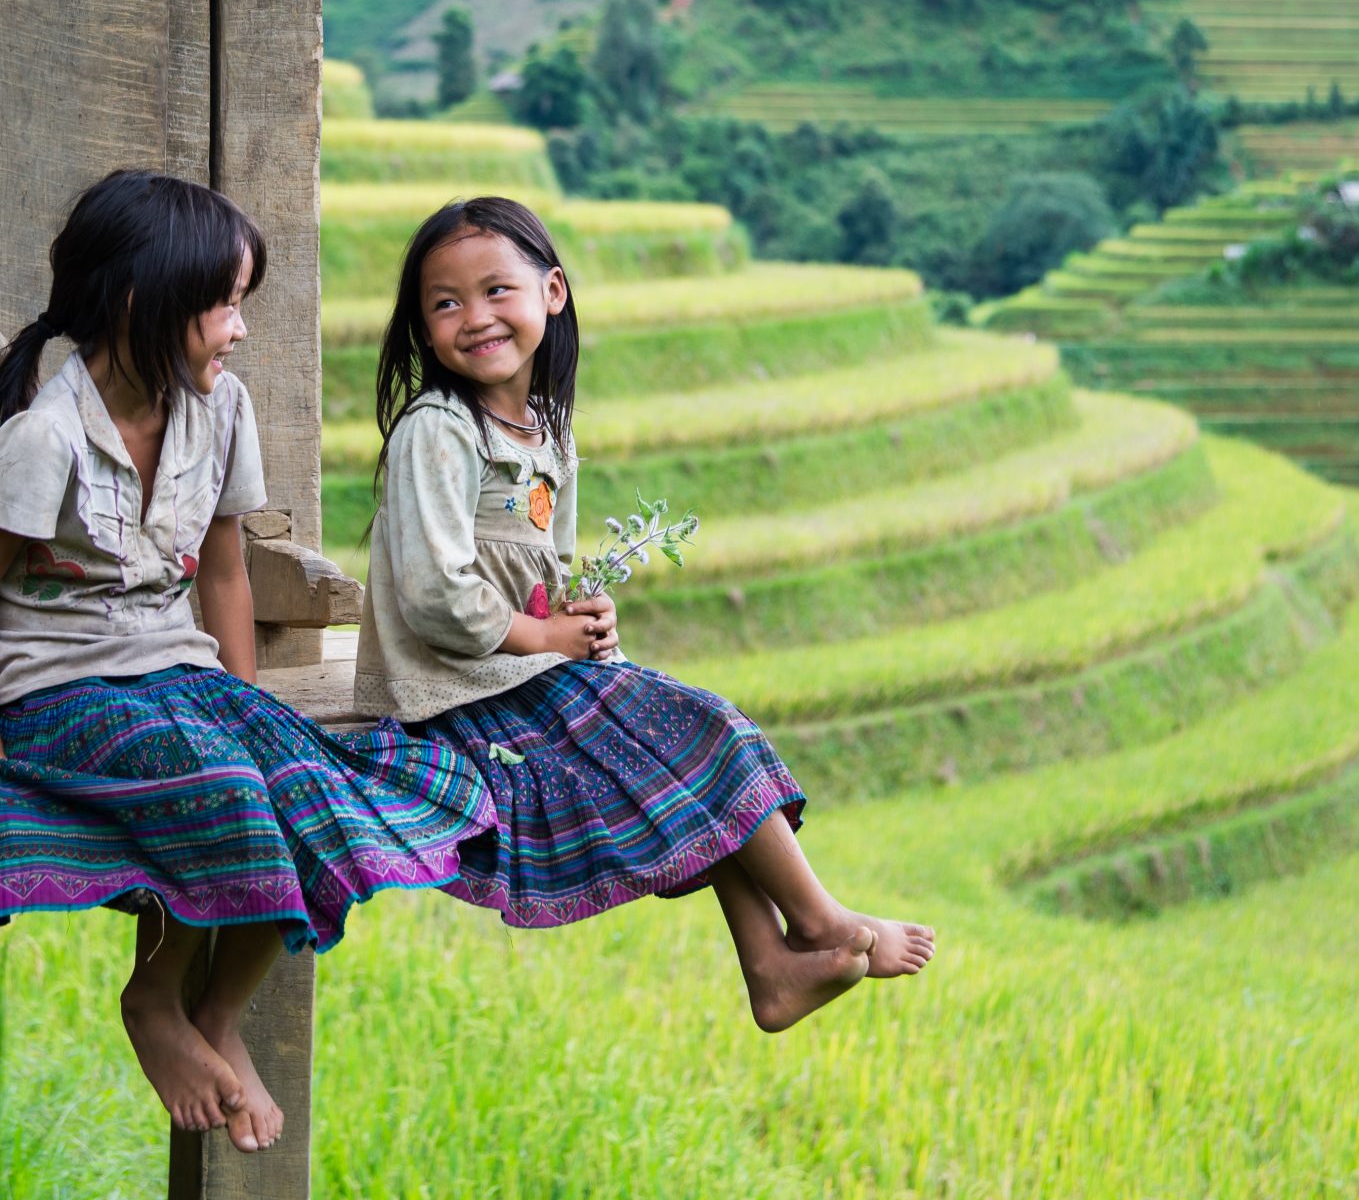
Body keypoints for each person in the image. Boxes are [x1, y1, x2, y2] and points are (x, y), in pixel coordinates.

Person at [0, 170, 492, 1151]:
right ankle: (154, 1001)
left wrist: (243, 697)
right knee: (225, 786)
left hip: (179, 669)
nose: (239, 326)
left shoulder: (221, 410)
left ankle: (217, 1013)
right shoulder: (45, 436)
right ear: (144, 305)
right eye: (225, 303)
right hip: (63, 689)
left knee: (306, 782)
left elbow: (224, 568)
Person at [356, 196, 936, 1032]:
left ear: (551, 292)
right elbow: (434, 593)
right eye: (445, 303)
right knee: (700, 733)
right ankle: (817, 921)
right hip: (451, 697)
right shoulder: (437, 430)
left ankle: (771, 966)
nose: (474, 317)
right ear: (421, 324)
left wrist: (582, 621)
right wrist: (547, 636)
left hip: (522, 671)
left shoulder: (545, 429)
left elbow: (546, 571)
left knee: (693, 748)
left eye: (495, 291)